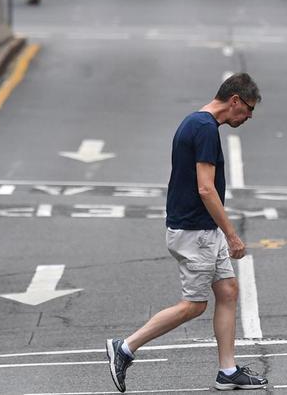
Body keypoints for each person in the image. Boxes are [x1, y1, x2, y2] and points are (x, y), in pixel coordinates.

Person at [106, 73, 268, 393]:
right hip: (197, 232)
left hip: (199, 229)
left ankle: (228, 370)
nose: (249, 116)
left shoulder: (194, 121)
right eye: (248, 109)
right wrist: (232, 235)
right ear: (234, 100)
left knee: (228, 291)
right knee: (194, 305)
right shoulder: (206, 130)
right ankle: (124, 348)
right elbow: (206, 189)